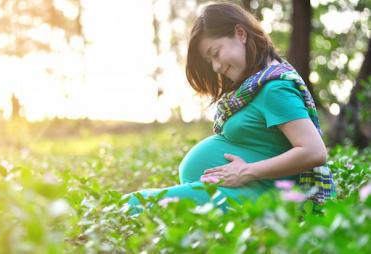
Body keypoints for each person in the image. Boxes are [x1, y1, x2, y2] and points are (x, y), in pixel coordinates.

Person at [124, 2, 335, 215]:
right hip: (246, 193)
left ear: (240, 33)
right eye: (209, 61)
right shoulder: (253, 87)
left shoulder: (275, 89)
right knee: (136, 206)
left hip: (263, 199)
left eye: (215, 53)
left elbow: (314, 151)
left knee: (133, 205)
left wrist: (247, 171)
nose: (215, 67)